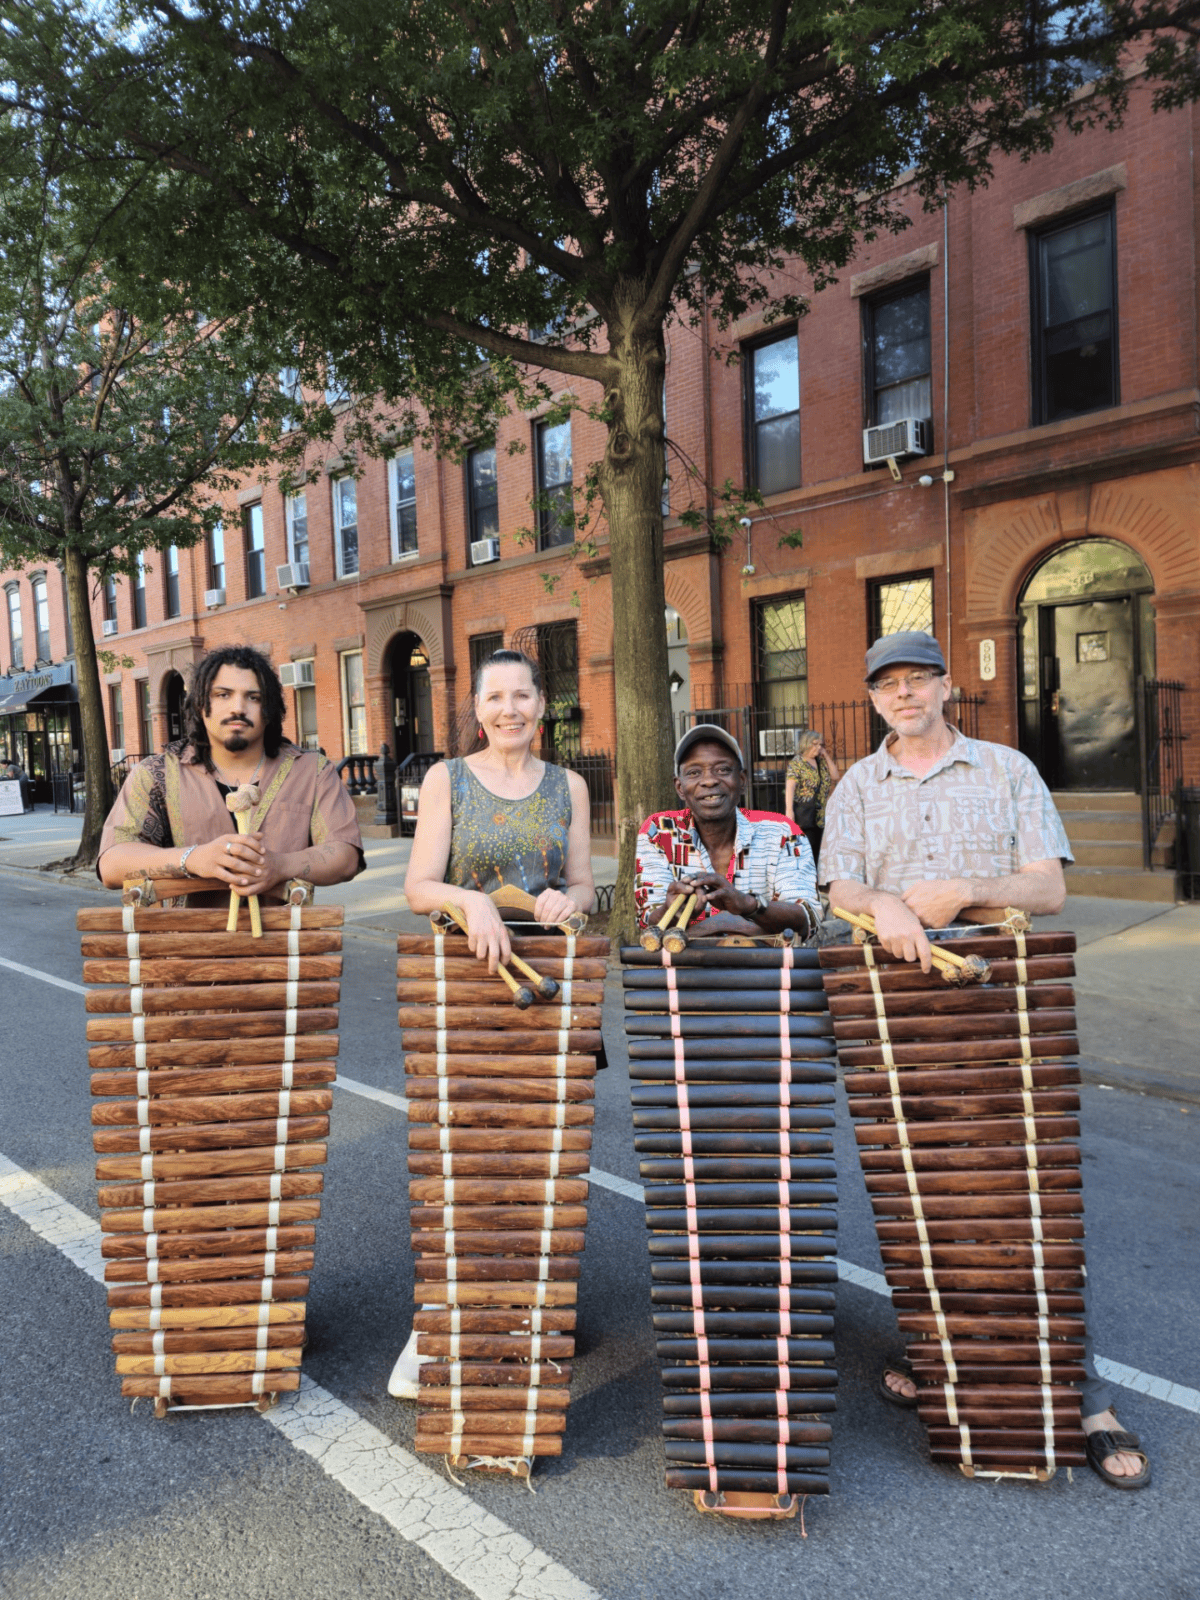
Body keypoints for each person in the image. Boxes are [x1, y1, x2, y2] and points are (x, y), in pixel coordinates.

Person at [821, 629, 1150, 1491]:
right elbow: (839, 886)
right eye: (887, 683)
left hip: (1003, 1005)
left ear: (944, 686)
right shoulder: (857, 785)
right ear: (873, 697)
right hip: (897, 1010)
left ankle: (1085, 1399)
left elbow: (1048, 887)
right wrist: (886, 904)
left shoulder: (1007, 769)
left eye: (917, 679)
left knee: (1027, 1203)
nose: (903, 694)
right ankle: (947, 1368)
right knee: (921, 1196)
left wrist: (967, 888)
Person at [390, 646, 595, 1397]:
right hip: (464, 991)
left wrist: (567, 902)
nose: (508, 709)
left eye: (522, 696)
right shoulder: (446, 780)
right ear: (476, 709)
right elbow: (418, 886)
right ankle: (441, 1324)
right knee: (465, 1161)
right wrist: (469, 899)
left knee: (540, 1159)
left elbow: (583, 886)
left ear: (543, 705)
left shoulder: (569, 785)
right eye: (495, 697)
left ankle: (531, 1310)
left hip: (544, 994)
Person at [97, 644, 364, 900]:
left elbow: (346, 856)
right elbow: (111, 863)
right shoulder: (157, 774)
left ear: (269, 709)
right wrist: (191, 859)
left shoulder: (310, 771)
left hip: (285, 942)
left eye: (253, 697)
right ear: (201, 705)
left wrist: (280, 866)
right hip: (185, 941)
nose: (238, 707)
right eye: (223, 695)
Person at [635, 723, 819, 938]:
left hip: (765, 968)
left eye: (722, 769)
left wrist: (749, 905)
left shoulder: (782, 832)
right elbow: (647, 924)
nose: (710, 780)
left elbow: (808, 918)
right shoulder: (659, 832)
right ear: (680, 788)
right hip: (686, 968)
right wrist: (671, 910)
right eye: (694, 772)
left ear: (741, 781)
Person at [783, 727, 840, 870]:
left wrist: (825, 755)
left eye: (820, 744)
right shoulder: (797, 763)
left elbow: (835, 776)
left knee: (819, 851)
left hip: (821, 815)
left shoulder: (820, 763)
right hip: (805, 815)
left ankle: (815, 882)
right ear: (806, 744)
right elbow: (790, 787)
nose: (818, 747)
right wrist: (789, 811)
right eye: (815, 744)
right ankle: (807, 882)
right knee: (807, 850)